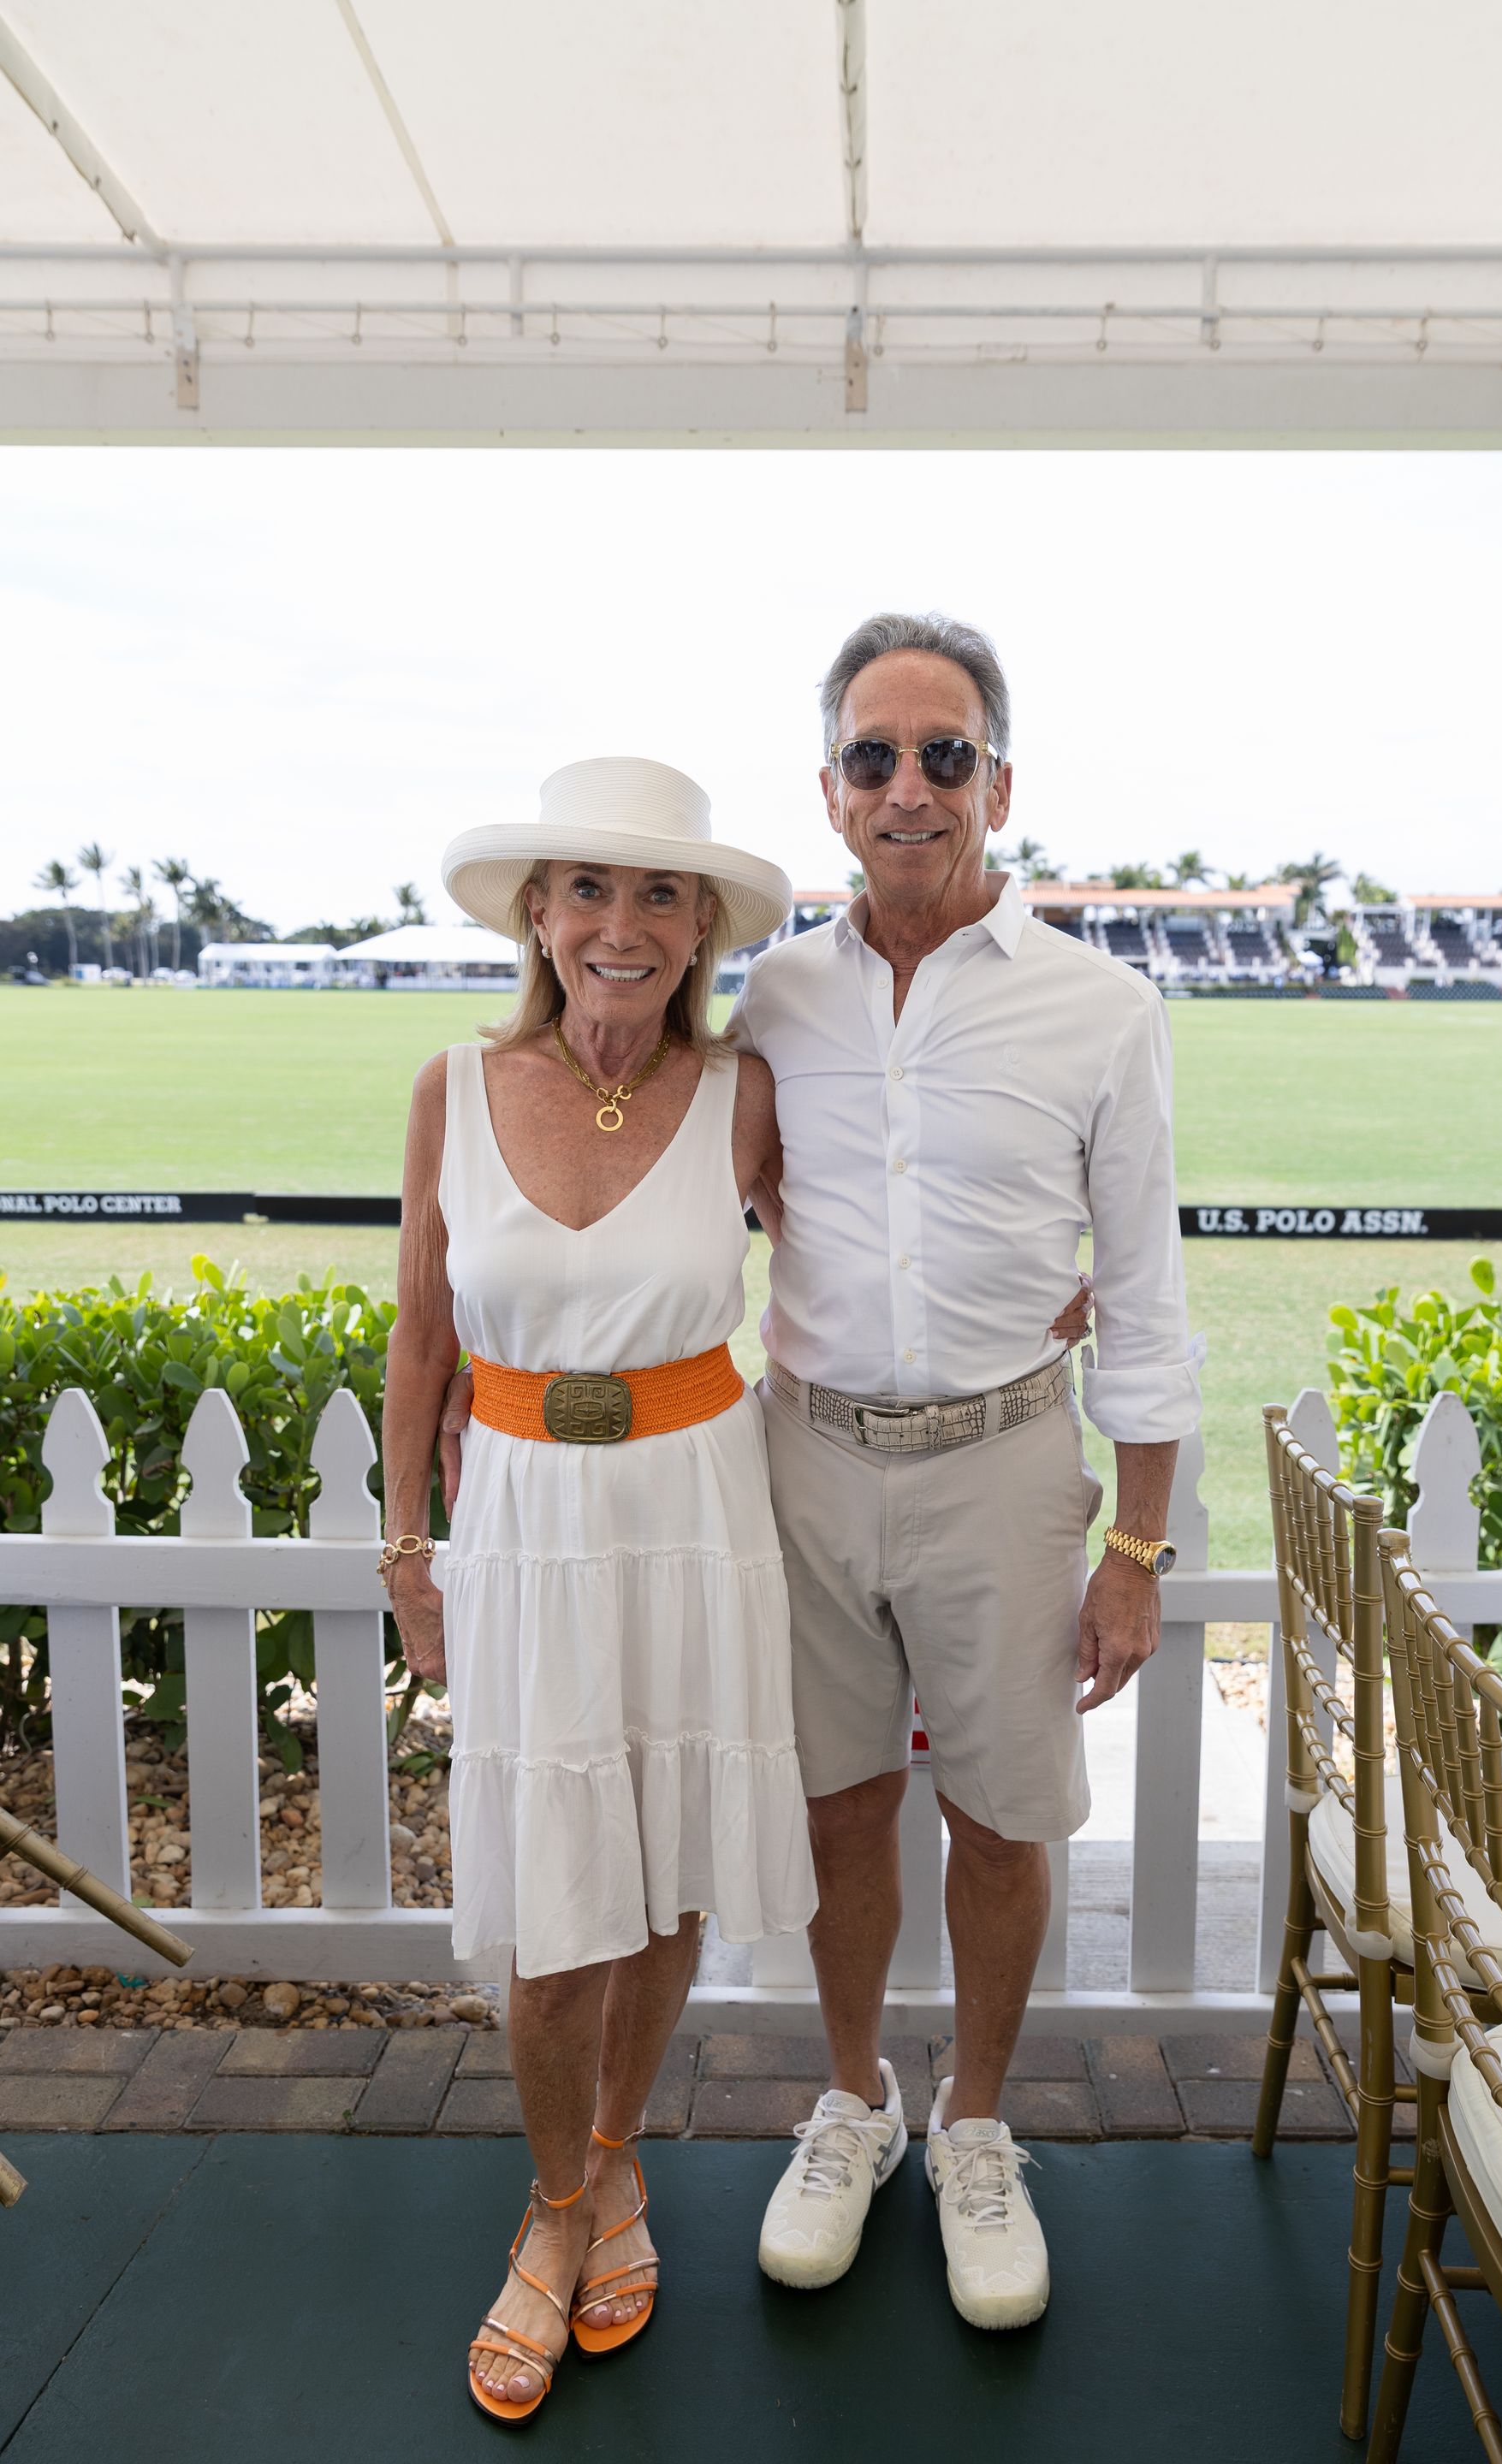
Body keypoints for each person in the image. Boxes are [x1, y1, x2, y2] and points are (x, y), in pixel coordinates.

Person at [740, 613, 1200, 2331]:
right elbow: (715, 1199)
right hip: (807, 1454)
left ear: (1001, 779)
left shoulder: (1106, 1009)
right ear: (834, 791)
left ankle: (980, 2124)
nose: (910, 786)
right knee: (837, 1805)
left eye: (945, 754)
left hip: (1008, 1464)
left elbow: (1145, 1296)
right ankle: (856, 2100)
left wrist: (1136, 1541)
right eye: (875, 756)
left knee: (1003, 1818)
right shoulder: (773, 993)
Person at [381, 757, 816, 2423]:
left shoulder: (747, 1093)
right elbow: (425, 1331)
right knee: (557, 1905)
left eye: (657, 894)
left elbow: (857, 1257)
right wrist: (408, 1543)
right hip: (525, 1527)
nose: (620, 926)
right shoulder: (449, 1086)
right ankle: (553, 2211)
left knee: (662, 1877)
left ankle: (618, 2164)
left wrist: (1018, 1305)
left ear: (699, 922)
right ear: (538, 916)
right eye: (587, 890)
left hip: (698, 1513)